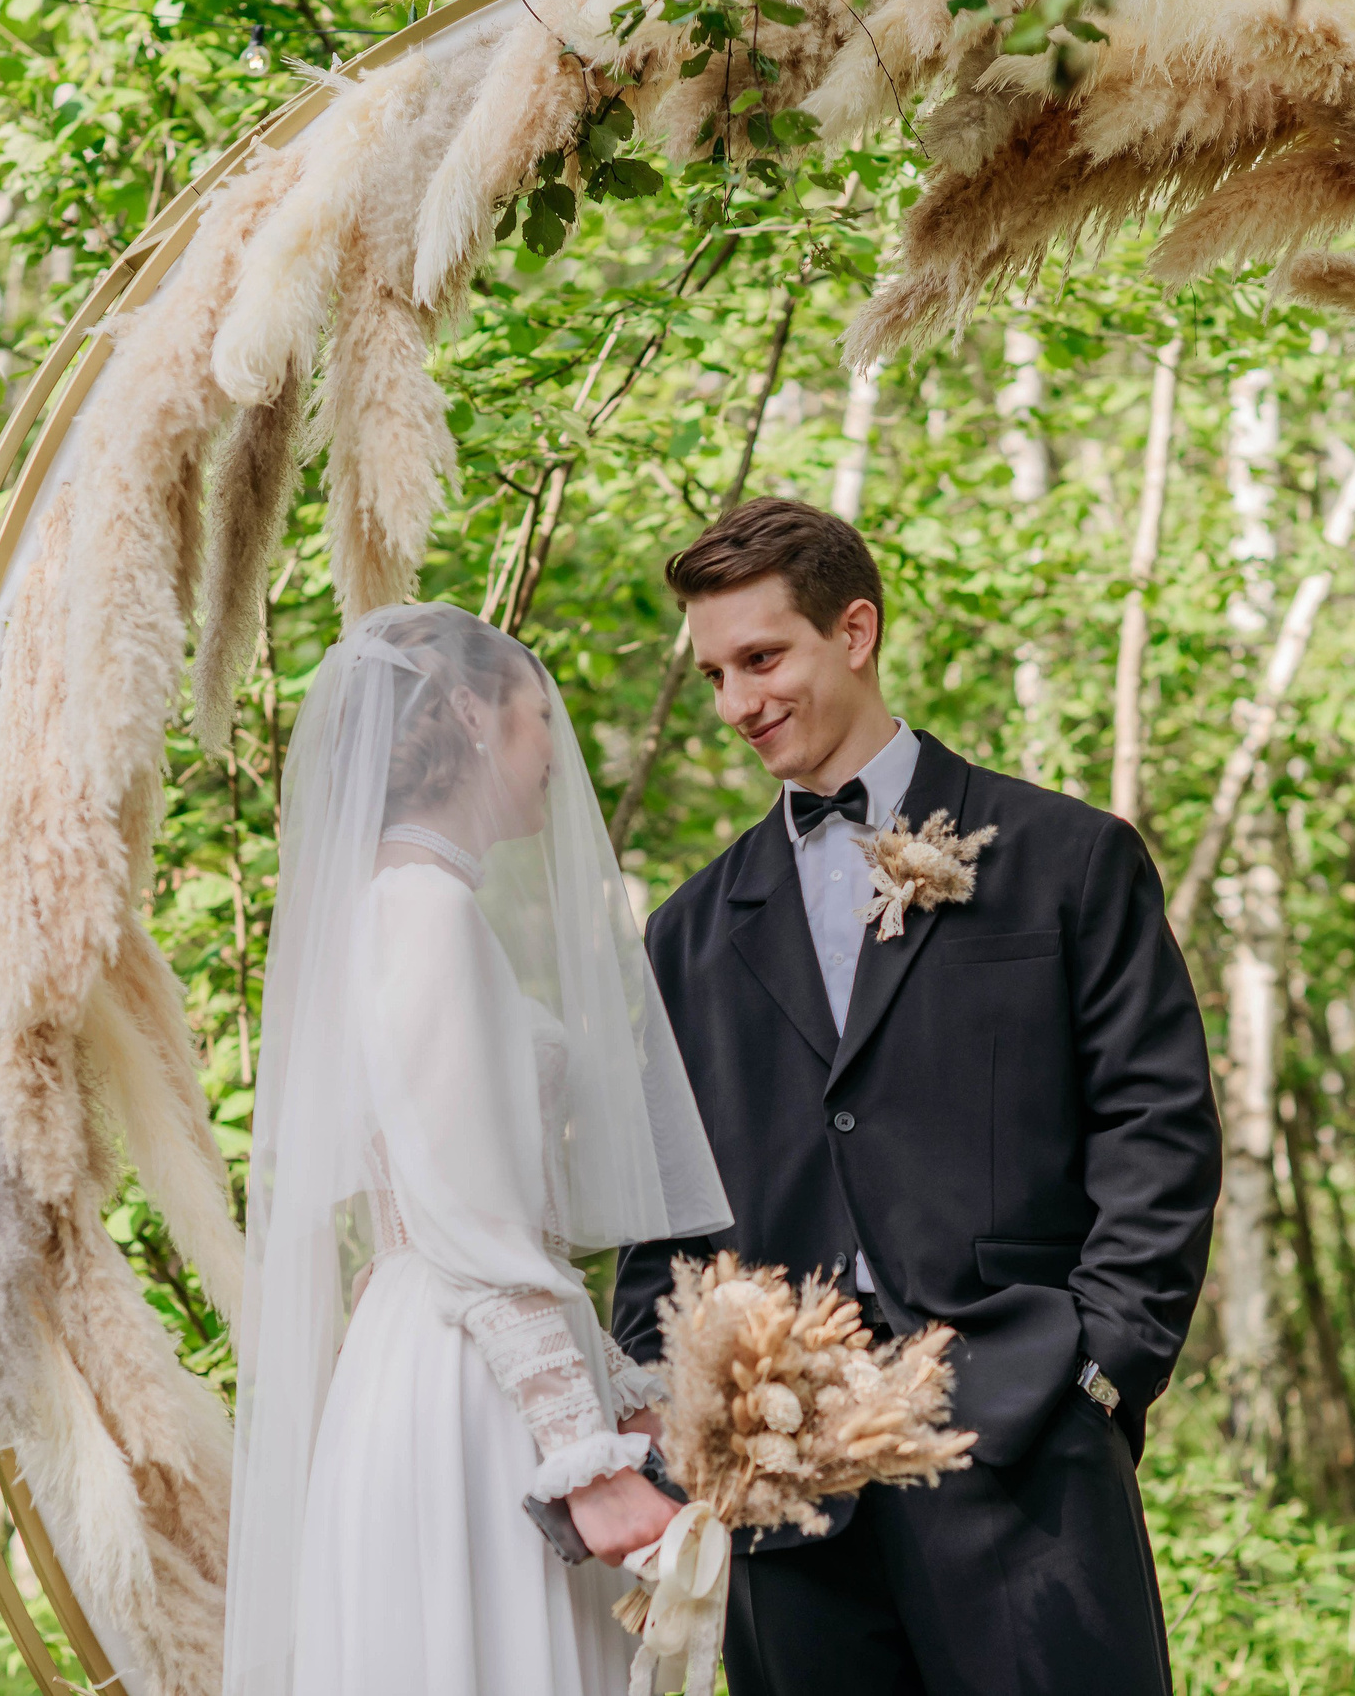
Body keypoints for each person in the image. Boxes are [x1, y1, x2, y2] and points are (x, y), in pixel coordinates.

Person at [611, 499, 1222, 1696]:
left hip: (1023, 1439)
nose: (737, 704)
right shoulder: (685, 933)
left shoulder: (1065, 859)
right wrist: (670, 1414)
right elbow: (661, 1210)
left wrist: (1102, 1368)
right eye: (718, 674)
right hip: (783, 1490)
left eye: (762, 658)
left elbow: (1157, 1129)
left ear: (856, 629)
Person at [224, 603, 732, 1696]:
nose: (554, 748)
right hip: (471, 1379)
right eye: (536, 715)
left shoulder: (402, 906)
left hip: (444, 1343)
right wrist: (586, 1462)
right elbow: (478, 1225)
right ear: (469, 713)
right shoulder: (424, 915)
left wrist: (628, 1399)